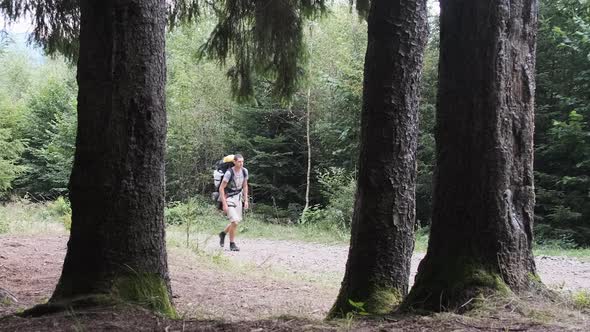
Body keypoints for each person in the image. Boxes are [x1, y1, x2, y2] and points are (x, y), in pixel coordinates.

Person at [218, 154, 249, 251]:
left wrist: (246, 200)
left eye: (242, 161)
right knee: (234, 221)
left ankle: (223, 233)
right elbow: (221, 188)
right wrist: (224, 204)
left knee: (236, 222)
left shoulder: (244, 171)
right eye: (239, 161)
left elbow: (245, 186)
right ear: (234, 162)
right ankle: (232, 244)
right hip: (229, 198)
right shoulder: (229, 173)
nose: (241, 163)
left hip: (238, 198)